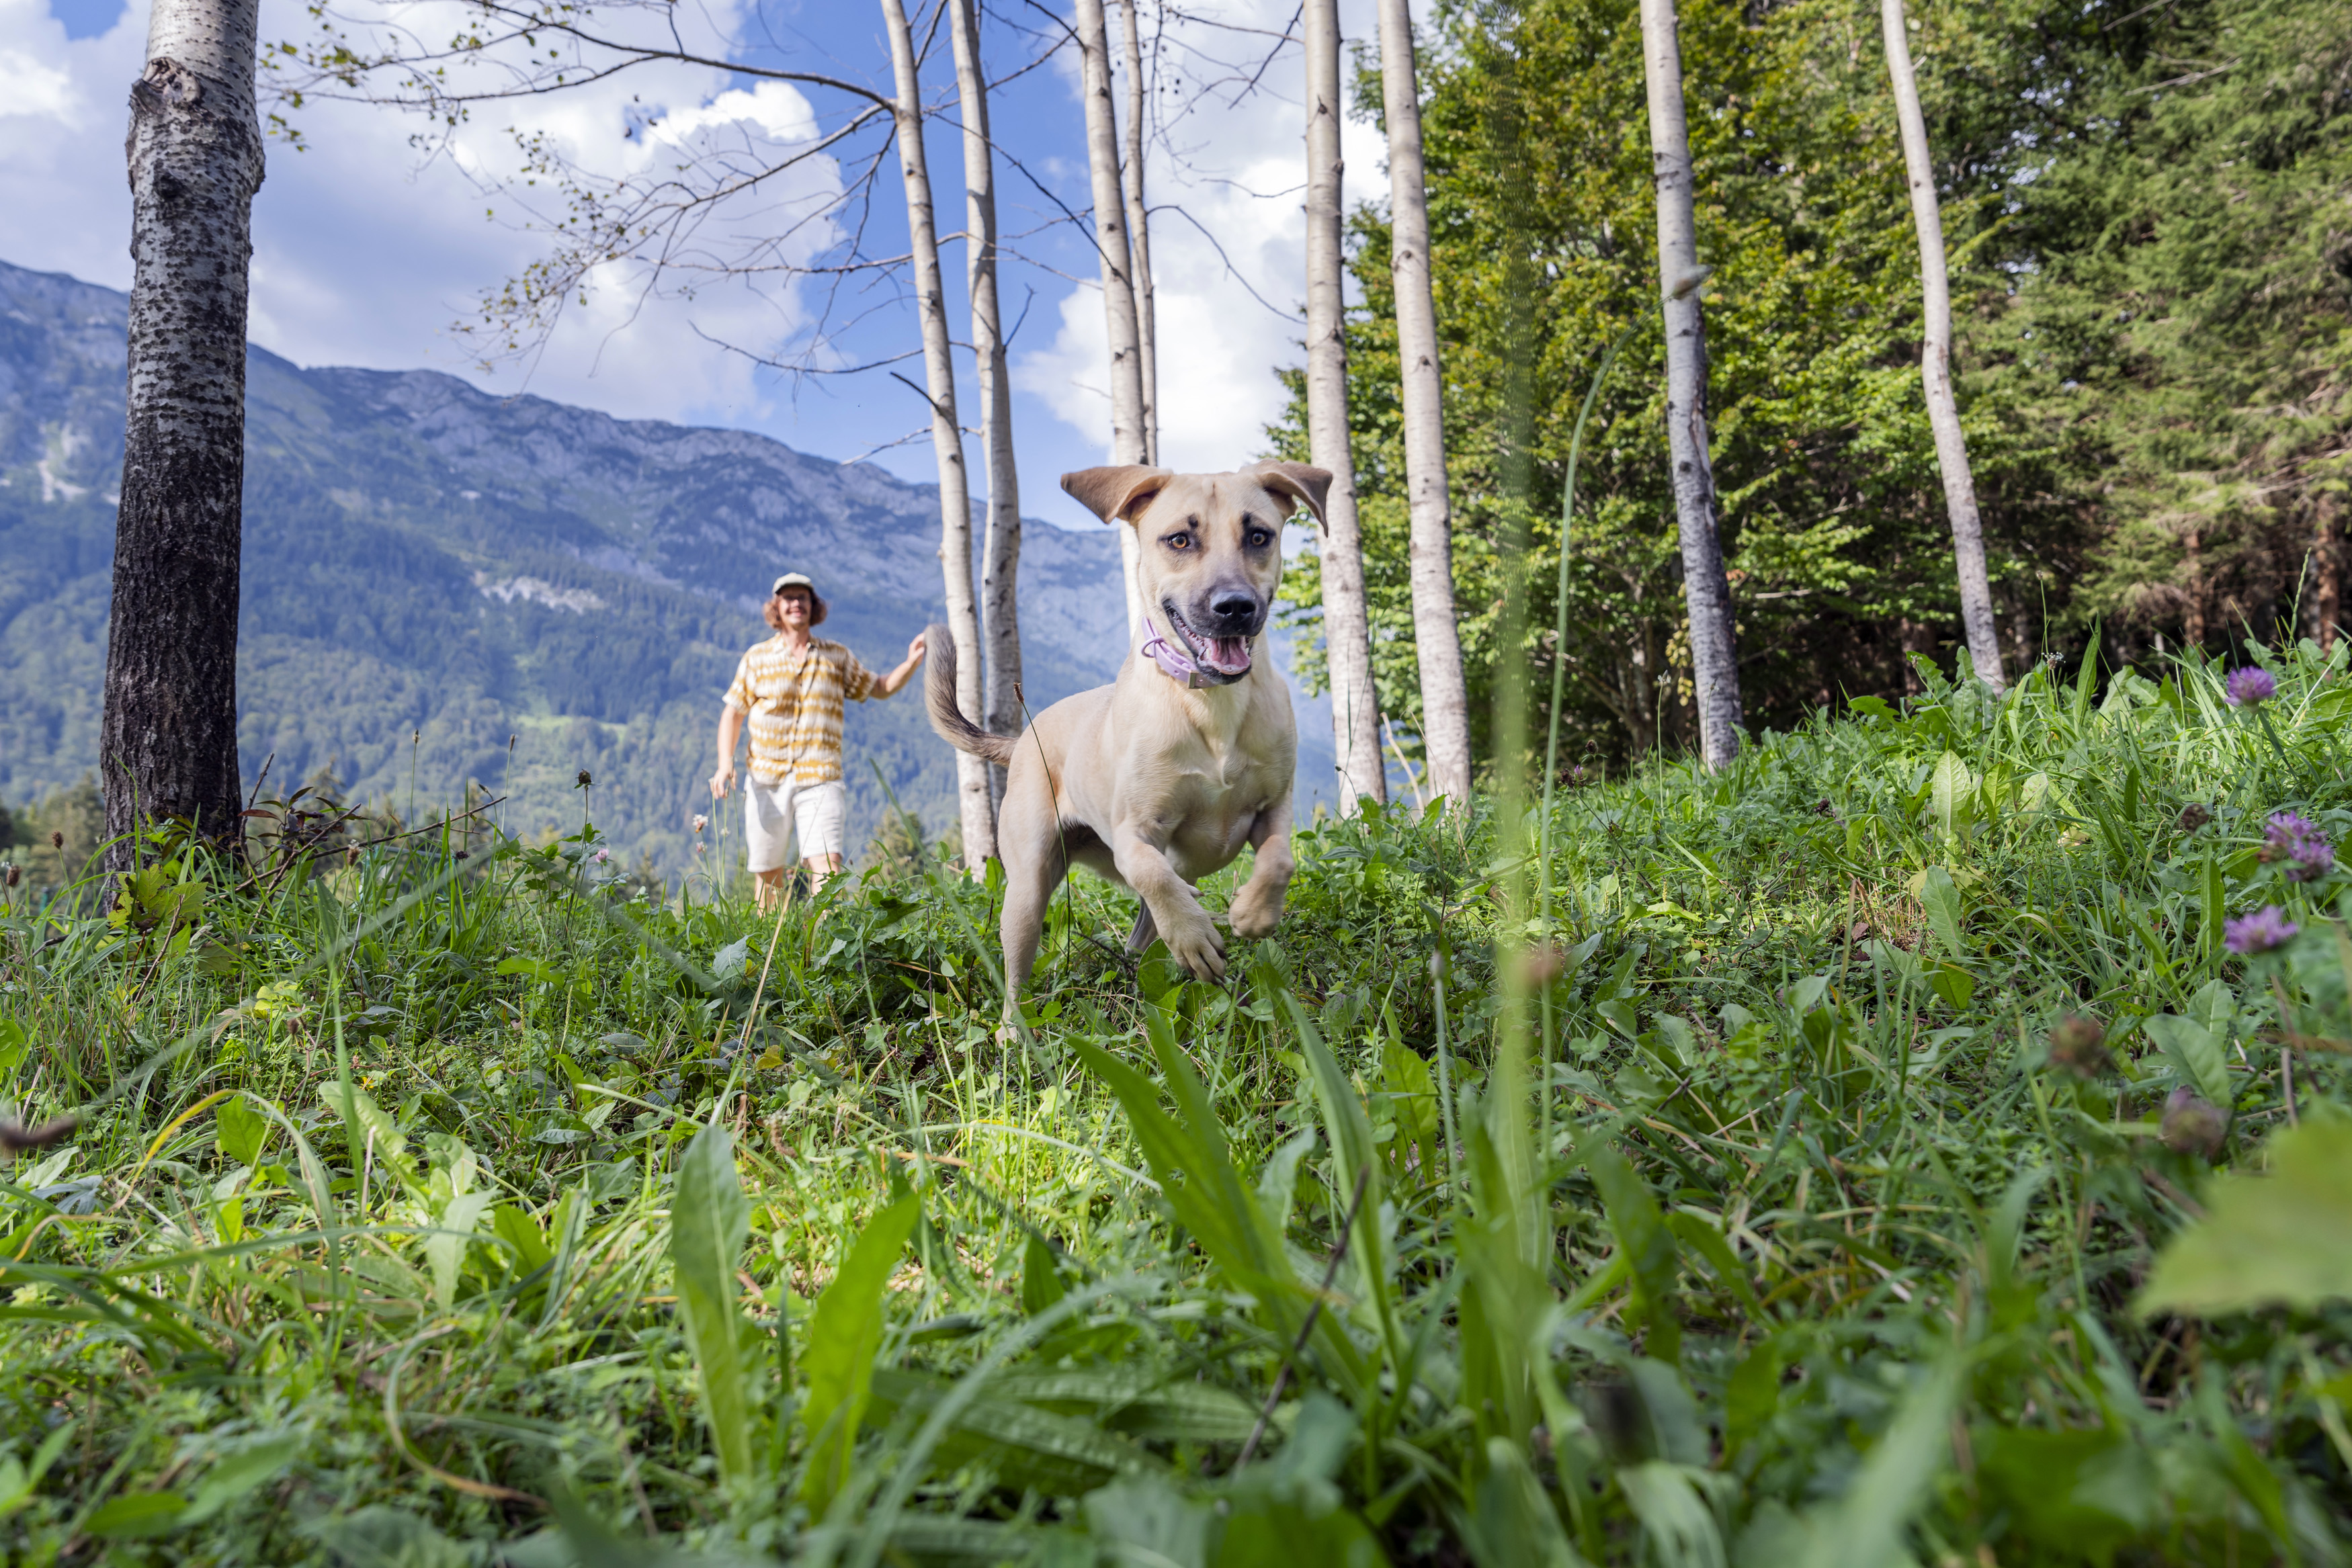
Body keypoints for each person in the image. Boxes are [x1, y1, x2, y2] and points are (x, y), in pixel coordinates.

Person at [712, 573, 925, 909]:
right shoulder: (757, 658)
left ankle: (826, 937)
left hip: (821, 777)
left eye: (803, 597)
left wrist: (911, 663)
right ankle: (772, 940)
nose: (796, 603)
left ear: (814, 606)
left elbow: (879, 688)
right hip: (766, 778)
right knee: (768, 873)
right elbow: (733, 713)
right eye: (789, 598)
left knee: (827, 866)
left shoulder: (836, 656)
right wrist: (725, 764)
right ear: (777, 607)